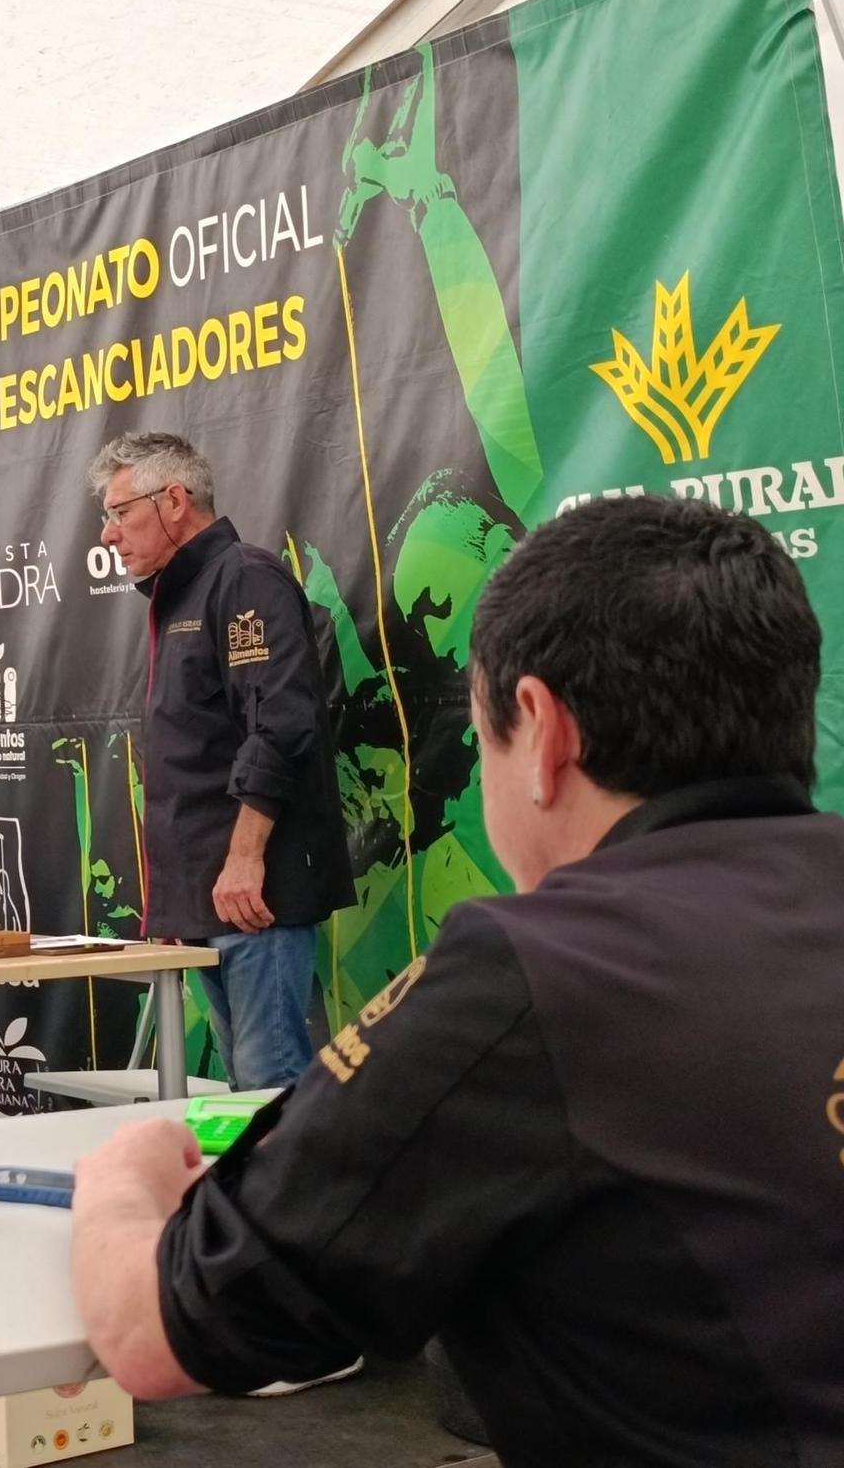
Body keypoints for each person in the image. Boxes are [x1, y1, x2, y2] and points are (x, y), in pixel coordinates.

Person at [71, 495, 844, 1464]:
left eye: (481, 743)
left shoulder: (529, 975)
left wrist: (121, 1174)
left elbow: (155, 1332)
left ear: (540, 730)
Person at [90, 432, 353, 1091]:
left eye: (120, 513)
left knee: (271, 1093)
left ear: (174, 500)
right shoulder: (178, 596)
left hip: (252, 900)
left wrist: (243, 859)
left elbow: (280, 727)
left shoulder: (245, 579)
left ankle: (288, 1198)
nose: (109, 535)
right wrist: (178, 909)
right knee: (246, 1098)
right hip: (209, 905)